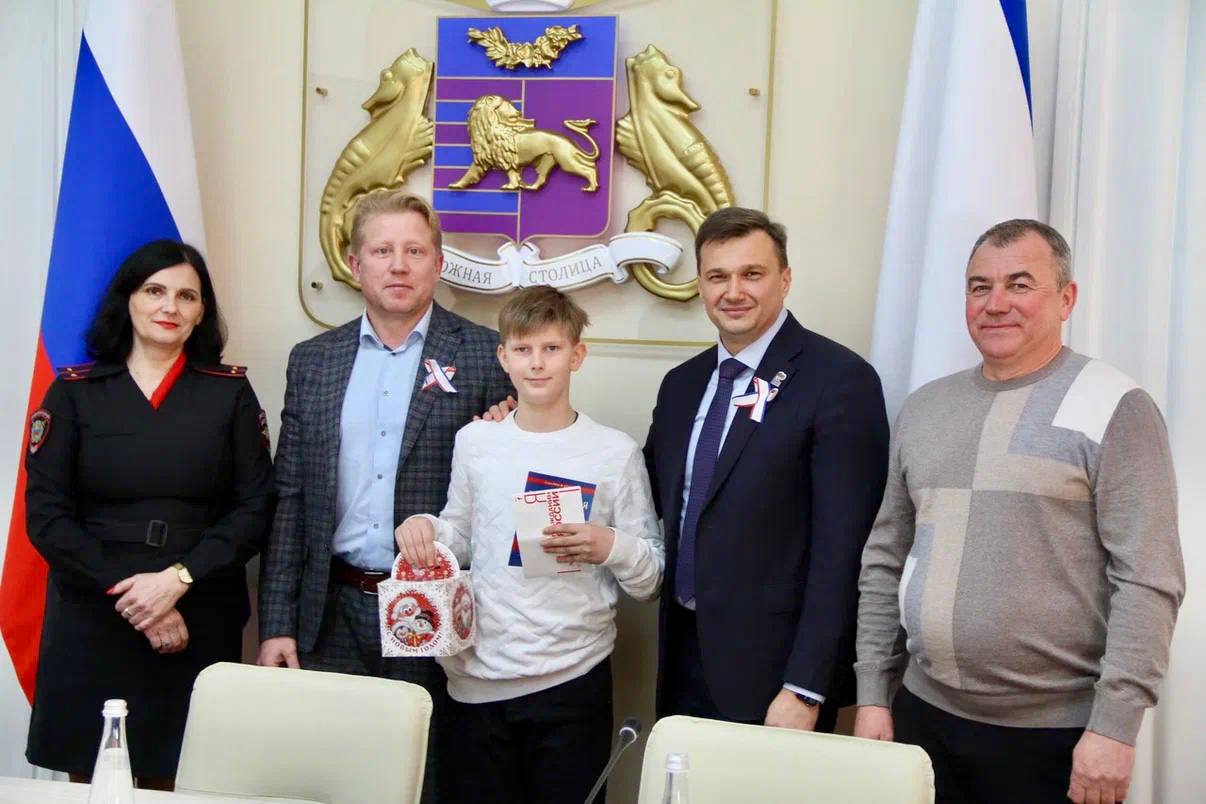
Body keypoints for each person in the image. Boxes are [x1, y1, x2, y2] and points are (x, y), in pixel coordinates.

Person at [854, 219, 1185, 804]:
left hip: (1056, 736)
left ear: (1066, 299)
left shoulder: (1117, 406)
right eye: (979, 287)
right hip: (921, 717)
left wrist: (1115, 727)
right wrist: (874, 694)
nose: (996, 303)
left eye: (1020, 284)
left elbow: (1148, 579)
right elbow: (885, 559)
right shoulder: (925, 408)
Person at [256, 190, 513, 802]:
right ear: (355, 264)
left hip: (435, 610)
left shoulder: (485, 354)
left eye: (415, 251)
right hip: (331, 611)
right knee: (333, 779)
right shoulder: (314, 361)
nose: (399, 265)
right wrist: (277, 623)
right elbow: (290, 499)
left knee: (429, 779)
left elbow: (502, 492)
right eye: (382, 251)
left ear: (439, 263)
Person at [394, 285, 663, 804]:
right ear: (503, 357)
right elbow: (461, 535)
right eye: (523, 349)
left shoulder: (615, 453)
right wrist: (425, 528)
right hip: (475, 681)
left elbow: (650, 579)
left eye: (551, 348)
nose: (537, 363)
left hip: (572, 679)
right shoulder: (475, 441)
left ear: (577, 355)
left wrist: (608, 545)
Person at [24, 239, 273, 788]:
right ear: (128, 300)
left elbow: (255, 508)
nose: (170, 307)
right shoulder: (74, 393)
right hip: (95, 611)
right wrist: (138, 598)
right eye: (155, 291)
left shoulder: (229, 393)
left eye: (187, 296)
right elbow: (46, 516)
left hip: (199, 607)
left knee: (186, 777)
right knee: (93, 779)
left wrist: (176, 581)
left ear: (201, 312)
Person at [643, 207, 890, 732]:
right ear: (701, 285)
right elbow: (645, 491)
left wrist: (806, 686)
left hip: (777, 676)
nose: (734, 291)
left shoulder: (839, 381)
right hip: (684, 658)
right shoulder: (681, 385)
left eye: (751, 274)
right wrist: (525, 428)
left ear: (785, 278)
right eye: (718, 276)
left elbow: (844, 551)